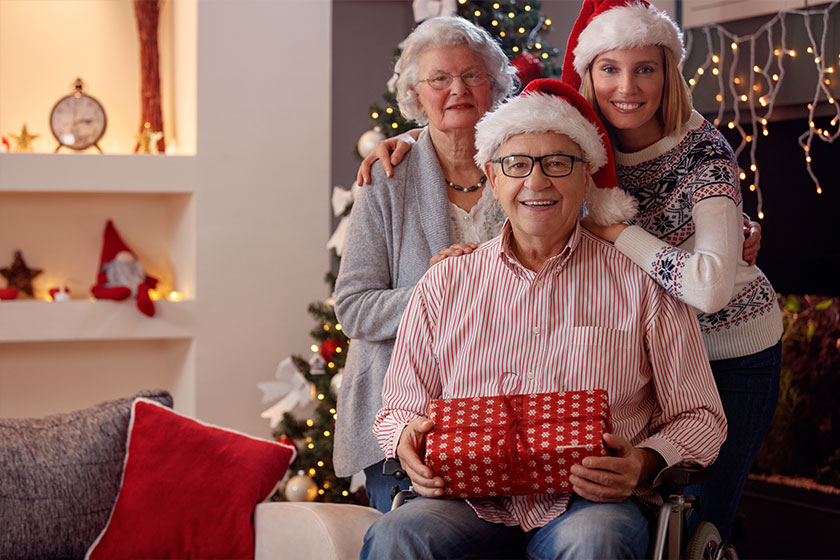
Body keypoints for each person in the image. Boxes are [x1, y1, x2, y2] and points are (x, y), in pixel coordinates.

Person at [362, 79, 727, 560]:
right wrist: (406, 435)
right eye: (517, 165)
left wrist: (645, 461)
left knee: (594, 543)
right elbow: (398, 408)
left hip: (592, 503)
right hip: (467, 501)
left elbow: (700, 416)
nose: (537, 182)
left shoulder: (640, 283)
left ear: (586, 178)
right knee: (396, 535)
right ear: (493, 180)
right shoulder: (444, 284)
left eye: (558, 163)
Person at [560, 0, 784, 539]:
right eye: (609, 68)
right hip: (640, 356)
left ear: (668, 75)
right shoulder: (575, 142)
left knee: (695, 523)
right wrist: (405, 143)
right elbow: (496, 142)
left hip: (729, 351)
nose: (626, 87)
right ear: (588, 74)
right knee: (628, 517)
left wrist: (617, 234)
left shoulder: (703, 152)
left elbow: (708, 288)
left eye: (645, 69)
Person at [332, 16, 516, 513]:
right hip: (406, 412)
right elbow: (353, 308)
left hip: (508, 409)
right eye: (440, 79)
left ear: (494, 83)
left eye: (472, 75)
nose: (457, 89)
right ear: (417, 92)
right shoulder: (387, 177)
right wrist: (440, 290)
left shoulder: (525, 164)